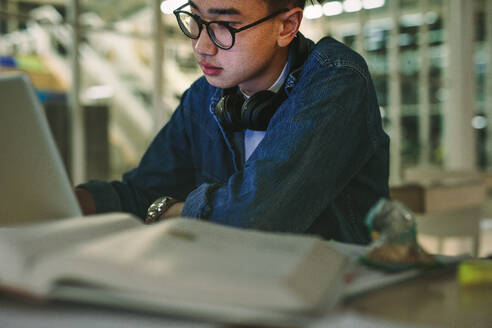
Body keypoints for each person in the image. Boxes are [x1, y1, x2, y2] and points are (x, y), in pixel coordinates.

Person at [76, 0, 389, 244]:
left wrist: (165, 212)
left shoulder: (336, 80)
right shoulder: (203, 98)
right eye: (196, 20)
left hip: (335, 297)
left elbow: (253, 217)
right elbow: (141, 193)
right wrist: (70, 200)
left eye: (225, 25)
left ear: (286, 26)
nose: (201, 46)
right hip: (237, 285)